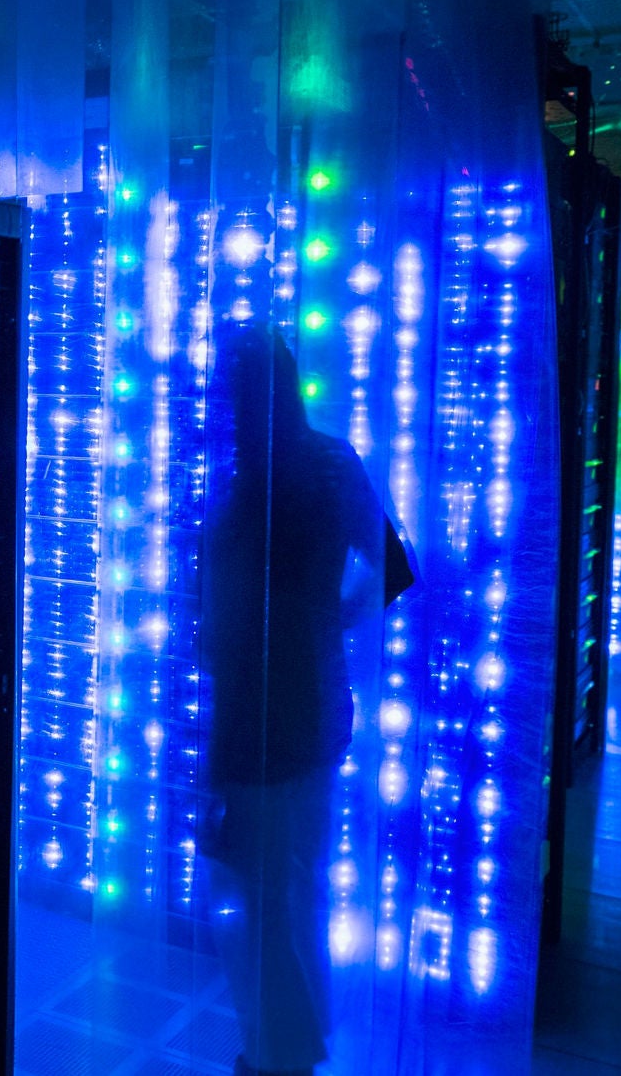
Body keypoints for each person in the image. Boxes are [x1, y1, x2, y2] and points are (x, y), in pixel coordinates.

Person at [198, 325, 412, 1076]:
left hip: (260, 717)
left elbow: (221, 627)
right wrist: (334, 620)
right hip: (316, 709)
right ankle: (288, 1049)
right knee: (291, 889)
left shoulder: (244, 485)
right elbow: (392, 567)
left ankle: (277, 1056)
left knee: (256, 899)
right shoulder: (326, 463)